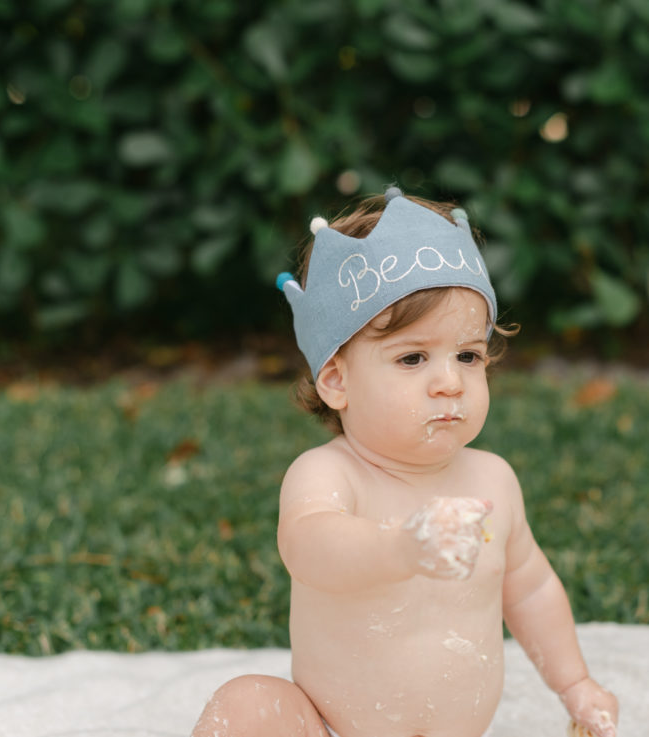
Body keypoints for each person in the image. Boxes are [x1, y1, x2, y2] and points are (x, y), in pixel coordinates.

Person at [191, 187, 618, 737]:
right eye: (413, 357)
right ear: (337, 380)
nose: (449, 382)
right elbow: (311, 548)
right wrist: (402, 545)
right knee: (247, 705)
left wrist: (575, 685)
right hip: (334, 730)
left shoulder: (494, 481)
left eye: (468, 355)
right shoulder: (330, 475)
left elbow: (530, 588)